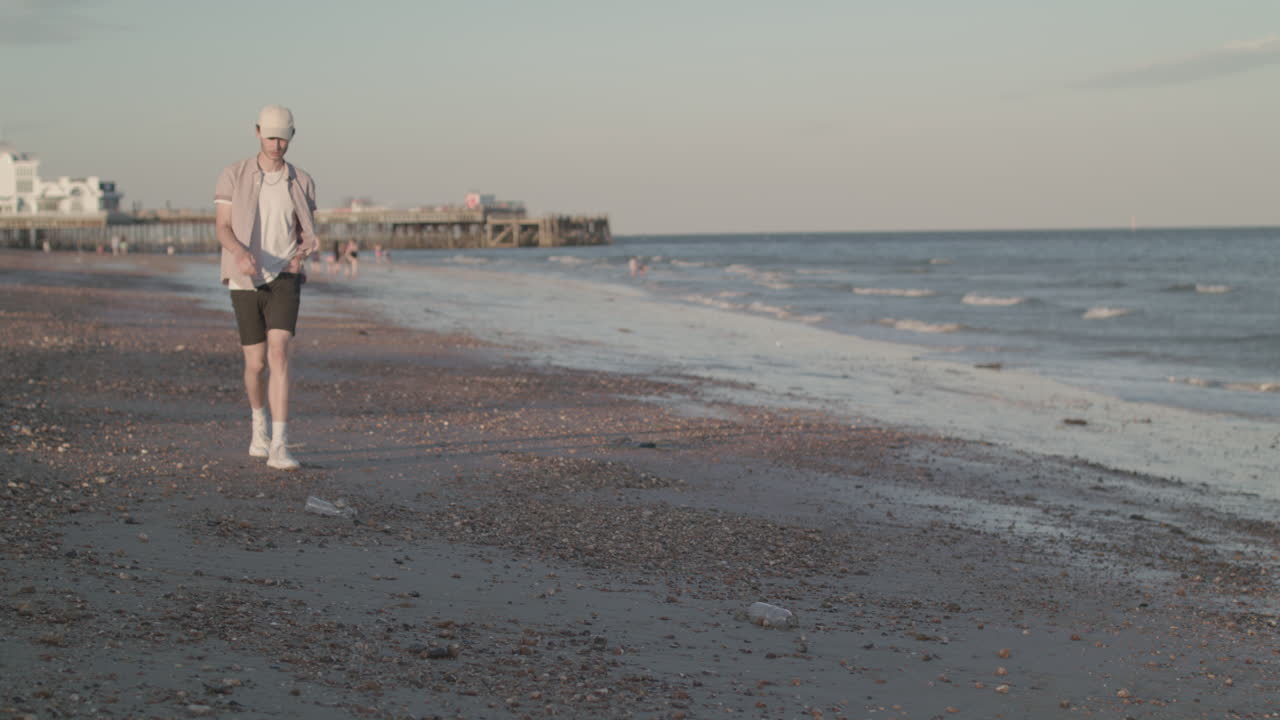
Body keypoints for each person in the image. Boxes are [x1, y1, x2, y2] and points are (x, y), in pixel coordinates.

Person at [214, 104, 320, 470]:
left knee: (279, 354)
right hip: (245, 277)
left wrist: (302, 255)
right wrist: (240, 253)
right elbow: (222, 227)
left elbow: (306, 232)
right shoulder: (233, 174)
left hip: (284, 276)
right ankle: (258, 425)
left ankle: (279, 445)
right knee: (256, 364)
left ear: (292, 137)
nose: (277, 145)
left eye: (283, 139)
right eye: (271, 137)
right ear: (258, 132)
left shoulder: (302, 180)